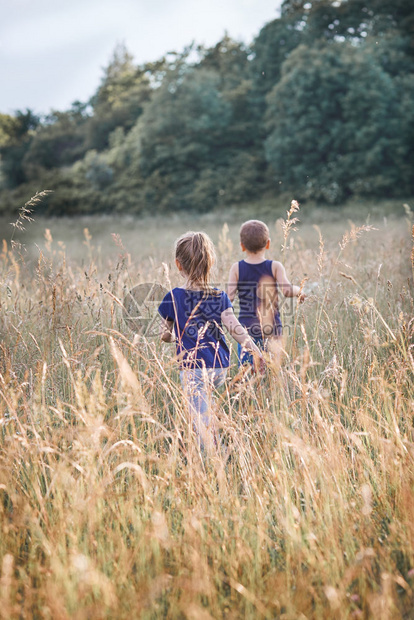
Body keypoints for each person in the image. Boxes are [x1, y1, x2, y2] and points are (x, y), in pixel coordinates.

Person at [158, 231, 263, 454]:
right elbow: (235, 327)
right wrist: (255, 350)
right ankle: (209, 448)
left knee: (199, 420)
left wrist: (174, 335)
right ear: (211, 262)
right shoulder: (219, 296)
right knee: (203, 409)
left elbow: (165, 335)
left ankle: (218, 455)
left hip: (193, 368)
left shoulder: (173, 297)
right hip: (219, 366)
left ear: (178, 265)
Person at [227, 219, 304, 365]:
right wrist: (300, 291)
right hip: (273, 329)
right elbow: (287, 291)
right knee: (274, 372)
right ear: (268, 243)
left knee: (248, 374)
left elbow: (229, 297)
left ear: (242, 246)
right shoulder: (275, 266)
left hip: (247, 331)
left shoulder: (236, 268)